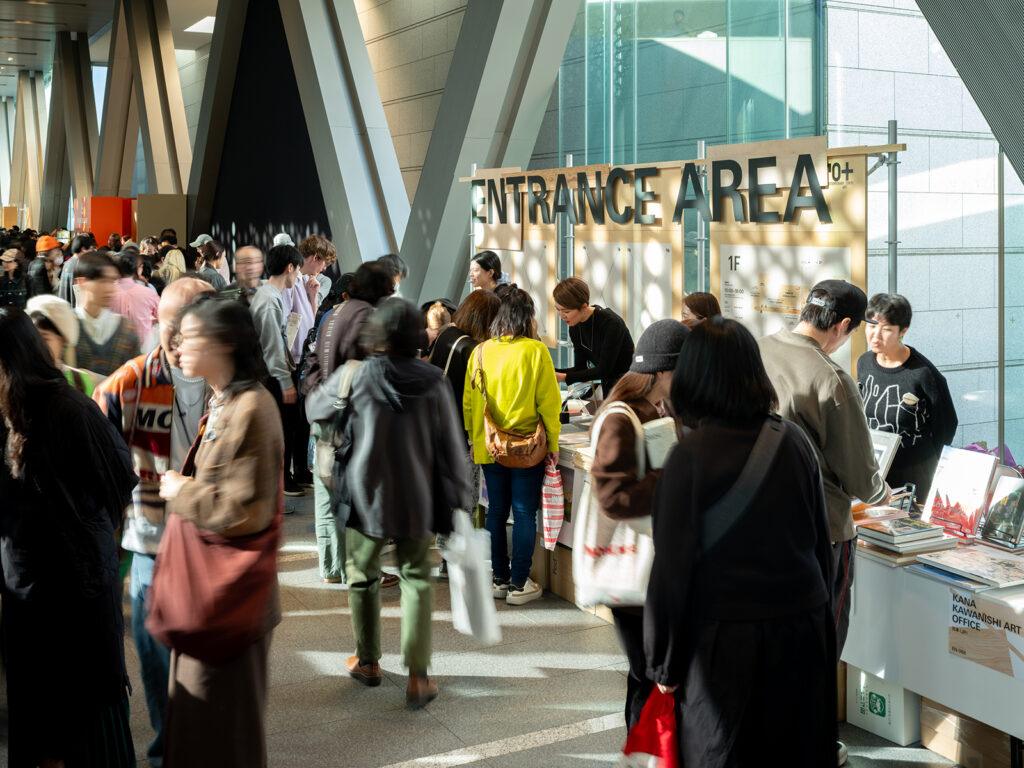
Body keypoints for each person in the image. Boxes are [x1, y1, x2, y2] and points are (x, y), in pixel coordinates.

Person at [645, 316, 836, 767]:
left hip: (725, 642)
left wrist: (664, 665)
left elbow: (671, 573)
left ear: (691, 378)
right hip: (801, 630)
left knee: (724, 752)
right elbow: (819, 545)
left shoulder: (689, 458)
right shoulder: (792, 441)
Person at [308, 298, 472, 708]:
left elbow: (314, 407)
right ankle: (418, 675)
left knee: (362, 577)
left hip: (365, 496)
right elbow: (453, 448)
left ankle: (368, 662)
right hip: (418, 496)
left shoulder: (356, 376)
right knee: (417, 580)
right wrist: (460, 500)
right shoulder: (435, 380)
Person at [0, 307, 138, 767]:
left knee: (84, 717)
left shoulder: (67, 407)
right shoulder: (6, 410)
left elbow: (119, 479)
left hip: (76, 587)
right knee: (38, 719)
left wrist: (84, 535)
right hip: (26, 585)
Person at [757, 279, 888, 767]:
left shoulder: (759, 350)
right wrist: (881, 493)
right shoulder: (831, 379)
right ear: (844, 325)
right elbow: (859, 475)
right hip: (821, 530)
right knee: (821, 637)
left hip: (758, 521)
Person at [94, 277, 214, 768]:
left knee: (204, 654)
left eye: (179, 325)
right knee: (153, 653)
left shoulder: (223, 380)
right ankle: (170, 741)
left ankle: (200, 737)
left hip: (207, 538)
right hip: (149, 539)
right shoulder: (133, 379)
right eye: (163, 323)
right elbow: (96, 443)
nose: (168, 335)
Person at [157, 296, 282, 768]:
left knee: (225, 732)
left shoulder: (251, 406)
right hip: (214, 597)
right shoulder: (228, 400)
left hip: (232, 600)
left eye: (189, 336)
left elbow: (243, 511)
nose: (178, 345)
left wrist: (180, 490)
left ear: (224, 344)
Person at [589, 319, 689, 729]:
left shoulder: (661, 408)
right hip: (634, 573)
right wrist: (679, 478)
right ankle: (644, 749)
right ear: (665, 370)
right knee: (648, 675)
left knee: (652, 676)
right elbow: (613, 497)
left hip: (655, 567)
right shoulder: (621, 416)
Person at [463, 286, 561, 605]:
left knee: (495, 512)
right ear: (526, 317)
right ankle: (520, 584)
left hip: (489, 446)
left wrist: (474, 437)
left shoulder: (480, 351)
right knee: (523, 513)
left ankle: (499, 579)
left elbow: (468, 404)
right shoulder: (535, 352)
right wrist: (554, 442)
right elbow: (549, 403)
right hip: (527, 448)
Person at [302, 261, 394, 584]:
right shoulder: (367, 317)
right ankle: (360, 567)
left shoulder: (333, 314)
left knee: (327, 490)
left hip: (326, 415)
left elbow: (313, 362)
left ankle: (332, 567)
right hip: (353, 419)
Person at [857, 293, 957, 504]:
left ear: (903, 331)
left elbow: (947, 424)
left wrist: (926, 461)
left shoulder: (922, 373)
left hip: (914, 477)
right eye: (871, 326)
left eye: (886, 330)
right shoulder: (864, 363)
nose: (875, 336)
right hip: (876, 472)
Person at [249, 243, 304, 496]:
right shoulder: (270, 300)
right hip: (270, 379)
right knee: (280, 432)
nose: (299, 277)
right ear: (290, 267)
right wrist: (285, 382)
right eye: (298, 270)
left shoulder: (267, 294)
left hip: (267, 377)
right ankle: (278, 486)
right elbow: (272, 347)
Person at [552, 276, 634, 397]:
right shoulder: (575, 326)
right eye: (558, 310)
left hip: (629, 385)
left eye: (566, 311)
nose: (561, 316)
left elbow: (604, 369)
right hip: (609, 385)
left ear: (584, 307)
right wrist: (552, 371)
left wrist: (564, 377)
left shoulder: (611, 323)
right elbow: (580, 368)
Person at [73, 250, 141, 376]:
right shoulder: (66, 327)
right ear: (81, 282)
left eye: (113, 281)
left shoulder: (126, 329)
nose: (110, 288)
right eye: (103, 281)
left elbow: (134, 379)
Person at [27, 294, 103, 396]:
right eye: (32, 337)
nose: (36, 344)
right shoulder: (20, 377)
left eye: (45, 338)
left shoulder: (80, 382)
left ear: (63, 340)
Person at [112, 250, 161, 344]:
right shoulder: (147, 292)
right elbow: (162, 315)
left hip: (114, 347)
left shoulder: (107, 292)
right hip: (142, 347)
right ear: (138, 268)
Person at [57, 232, 97, 305]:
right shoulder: (79, 265)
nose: (92, 252)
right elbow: (79, 296)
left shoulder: (68, 263)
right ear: (83, 249)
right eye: (91, 249)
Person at [26, 234, 64, 298]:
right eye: (56, 250)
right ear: (49, 251)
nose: (58, 252)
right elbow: (43, 292)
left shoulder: (32, 263)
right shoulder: (44, 267)